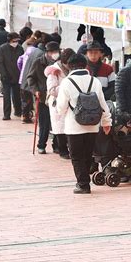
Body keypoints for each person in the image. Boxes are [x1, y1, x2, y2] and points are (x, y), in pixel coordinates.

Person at [56, 54, 112, 194]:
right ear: (85, 65)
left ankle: (83, 184)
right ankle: (84, 180)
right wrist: (106, 121)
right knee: (87, 155)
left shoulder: (67, 82)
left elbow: (61, 107)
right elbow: (102, 103)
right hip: (93, 125)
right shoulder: (94, 81)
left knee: (76, 156)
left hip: (74, 126)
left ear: (69, 66)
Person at [27, 41, 61, 154]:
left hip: (57, 98)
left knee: (57, 122)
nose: (54, 54)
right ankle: (41, 145)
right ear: (47, 52)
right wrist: (35, 90)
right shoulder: (38, 63)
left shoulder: (60, 64)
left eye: (56, 52)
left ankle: (57, 145)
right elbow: (30, 78)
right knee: (44, 123)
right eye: (51, 52)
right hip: (42, 97)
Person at [44, 48, 75, 159]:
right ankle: (62, 150)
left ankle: (60, 146)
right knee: (60, 127)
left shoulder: (73, 69)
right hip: (57, 102)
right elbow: (52, 89)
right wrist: (66, 89)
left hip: (70, 102)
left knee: (68, 126)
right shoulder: (54, 70)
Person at [0, 32, 23, 120]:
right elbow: (0, 63)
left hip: (17, 75)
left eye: (17, 41)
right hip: (6, 77)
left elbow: (22, 62)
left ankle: (18, 111)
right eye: (14, 41)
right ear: (9, 40)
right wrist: (4, 74)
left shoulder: (20, 48)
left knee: (17, 95)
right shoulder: (2, 48)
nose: (16, 42)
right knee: (6, 96)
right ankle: (6, 114)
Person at [17, 37, 37, 123]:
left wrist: (21, 70)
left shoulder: (25, 53)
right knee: (30, 99)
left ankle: (24, 115)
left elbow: (19, 62)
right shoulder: (35, 51)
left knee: (24, 99)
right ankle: (27, 116)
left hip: (22, 78)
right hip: (30, 79)